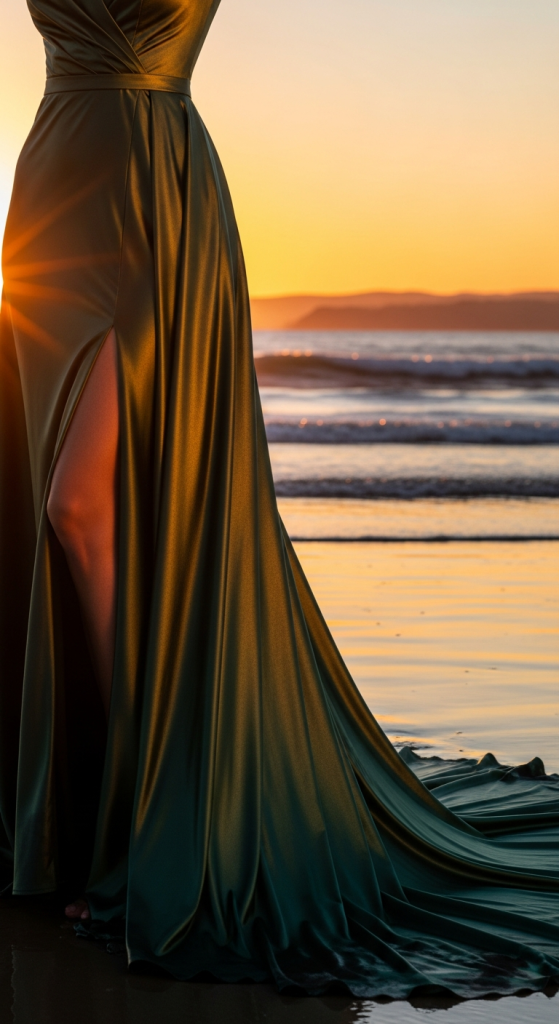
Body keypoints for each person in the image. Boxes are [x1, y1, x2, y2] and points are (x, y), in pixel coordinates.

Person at [1, 0, 558, 998]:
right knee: (56, 515)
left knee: (76, 510)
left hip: (153, 195)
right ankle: (72, 820)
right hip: (51, 190)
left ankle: (153, 826)